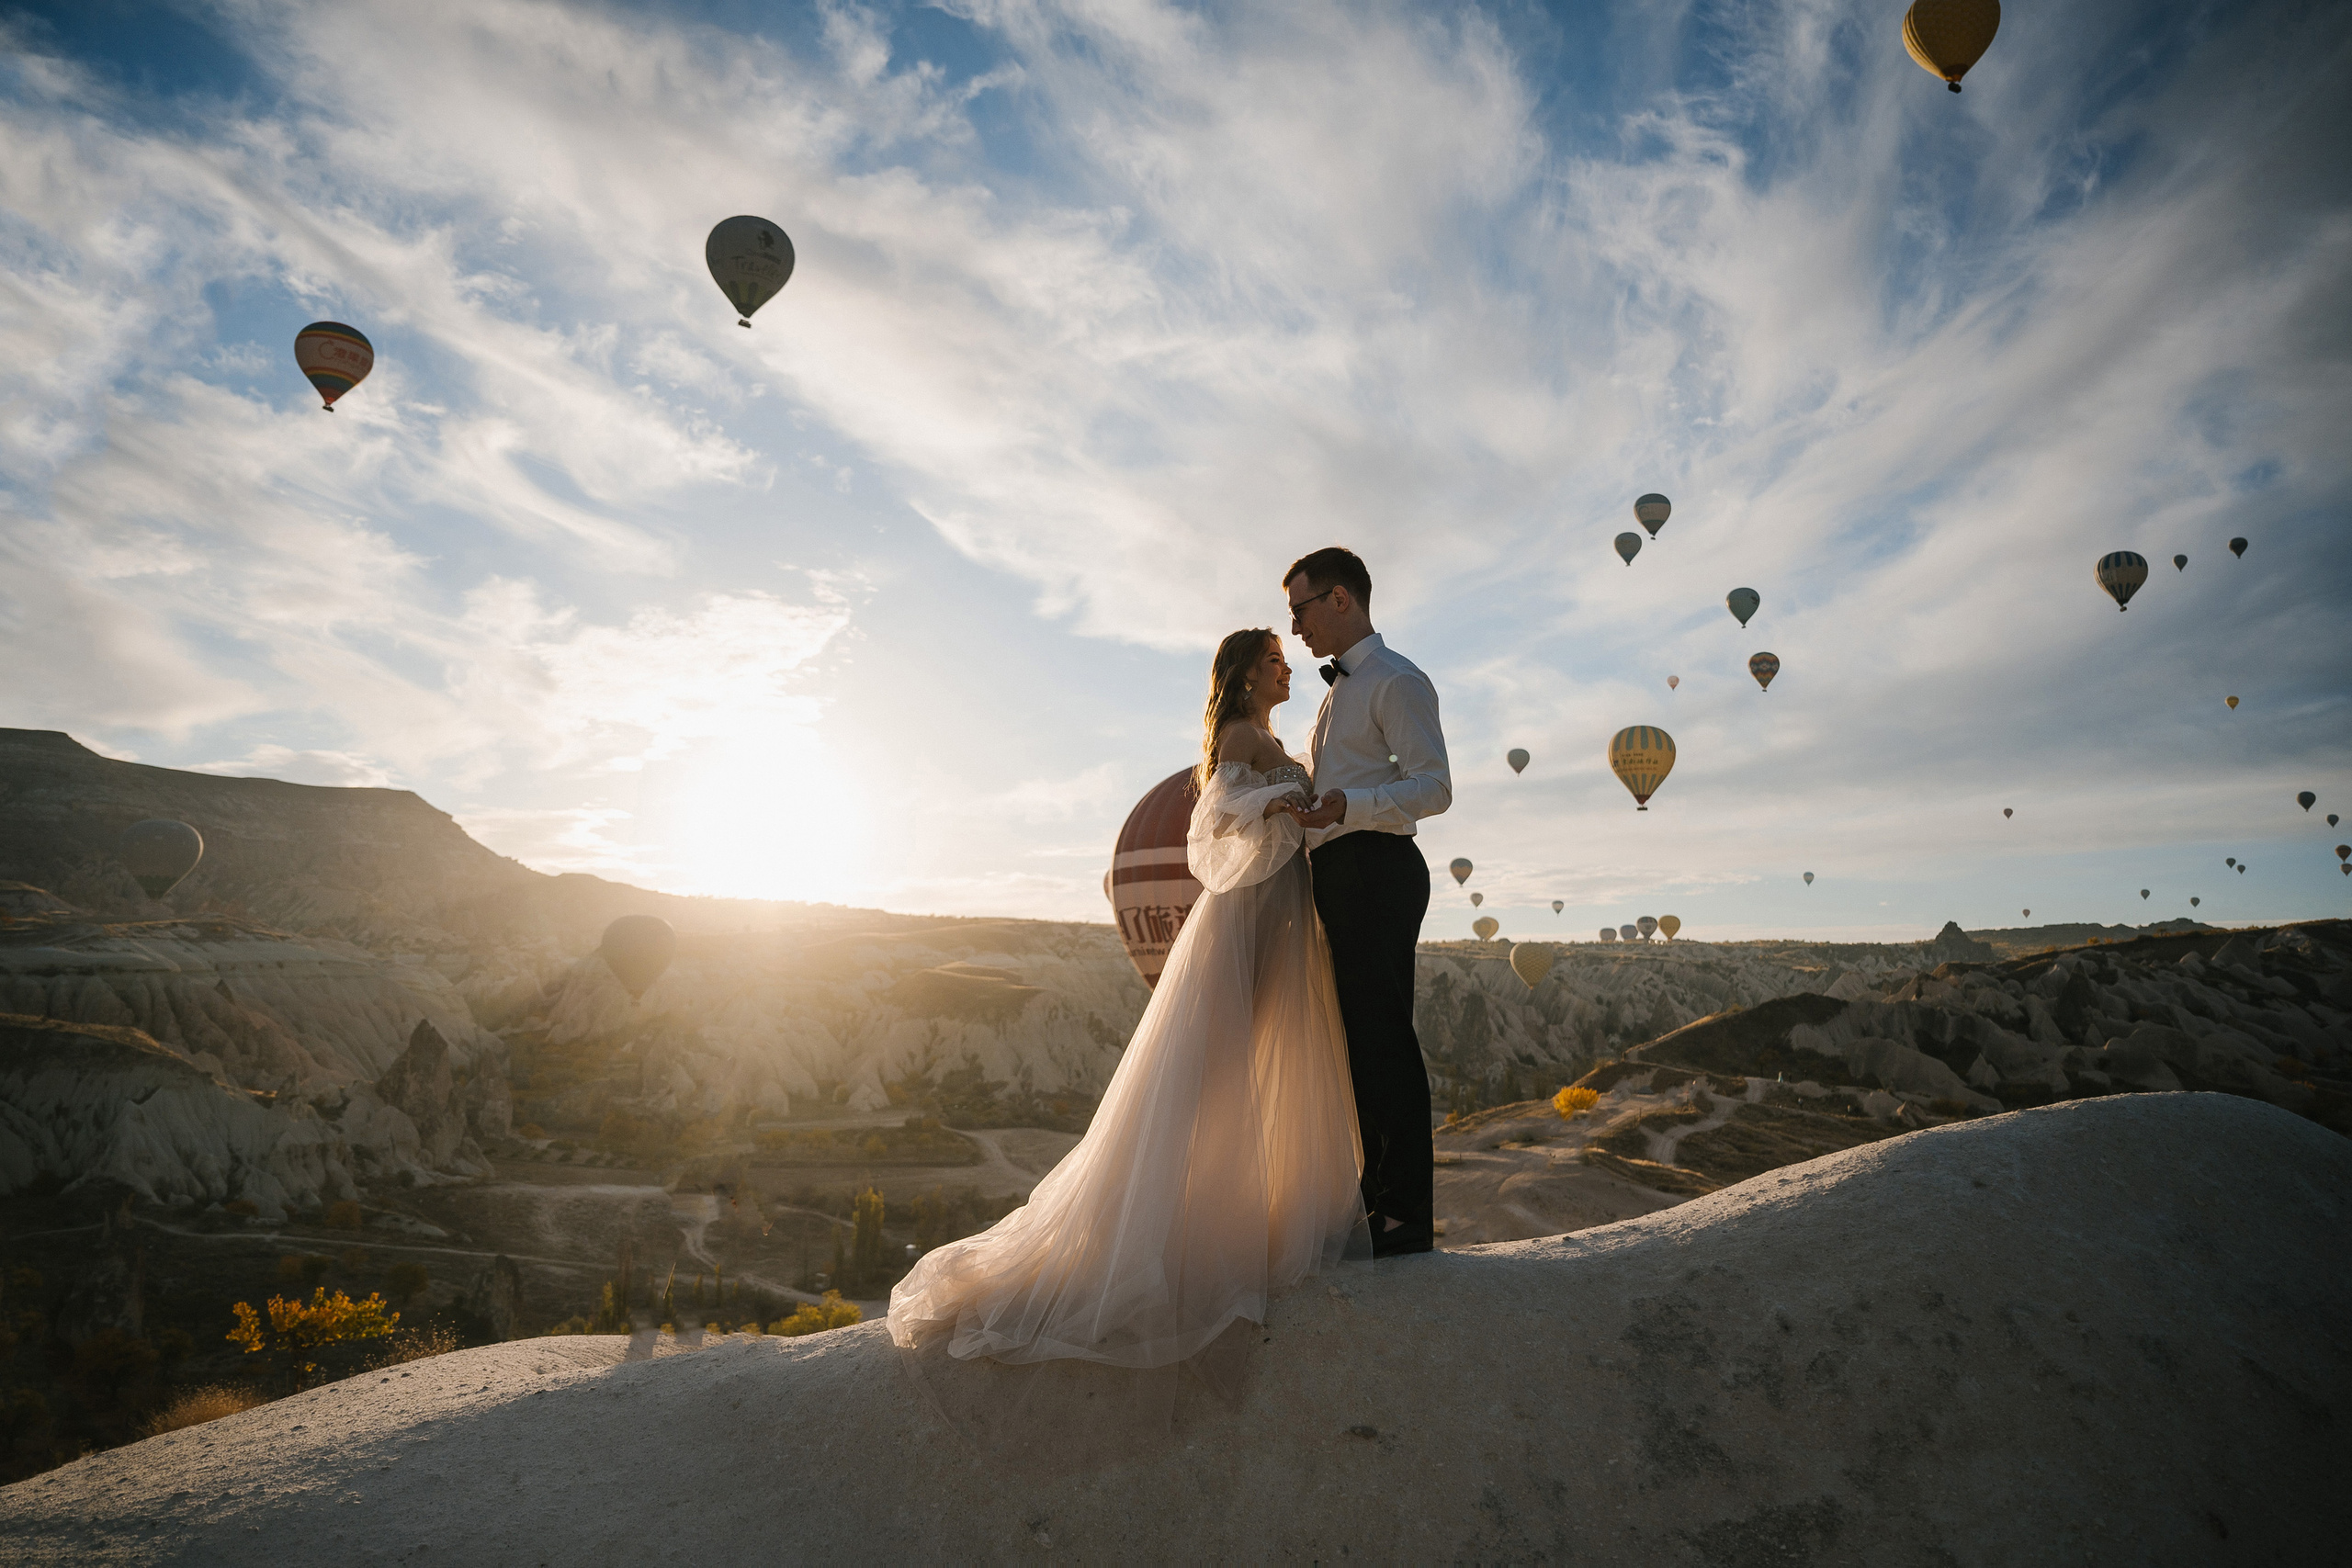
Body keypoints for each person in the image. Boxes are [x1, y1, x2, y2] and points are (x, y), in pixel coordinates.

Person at [888, 628, 1366, 1369]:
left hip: (1281, 912)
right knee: (1215, 1071)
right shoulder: (1242, 733)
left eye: (1285, 657)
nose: (1286, 667)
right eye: (1273, 659)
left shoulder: (1265, 733)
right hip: (1247, 915)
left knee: (1254, 1063)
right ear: (1243, 677)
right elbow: (1210, 829)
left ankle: (1227, 1216)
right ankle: (1171, 1227)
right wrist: (1279, 811)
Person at [1283, 547, 1452, 1256]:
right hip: (1342, 870)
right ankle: (1377, 1199)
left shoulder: (1395, 679)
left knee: (1383, 1038)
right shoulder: (1334, 693)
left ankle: (1405, 1217)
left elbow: (1433, 787)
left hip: (1379, 868)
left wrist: (1351, 805)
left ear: (1342, 598)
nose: (1296, 628)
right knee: (1356, 1041)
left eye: (1302, 608)